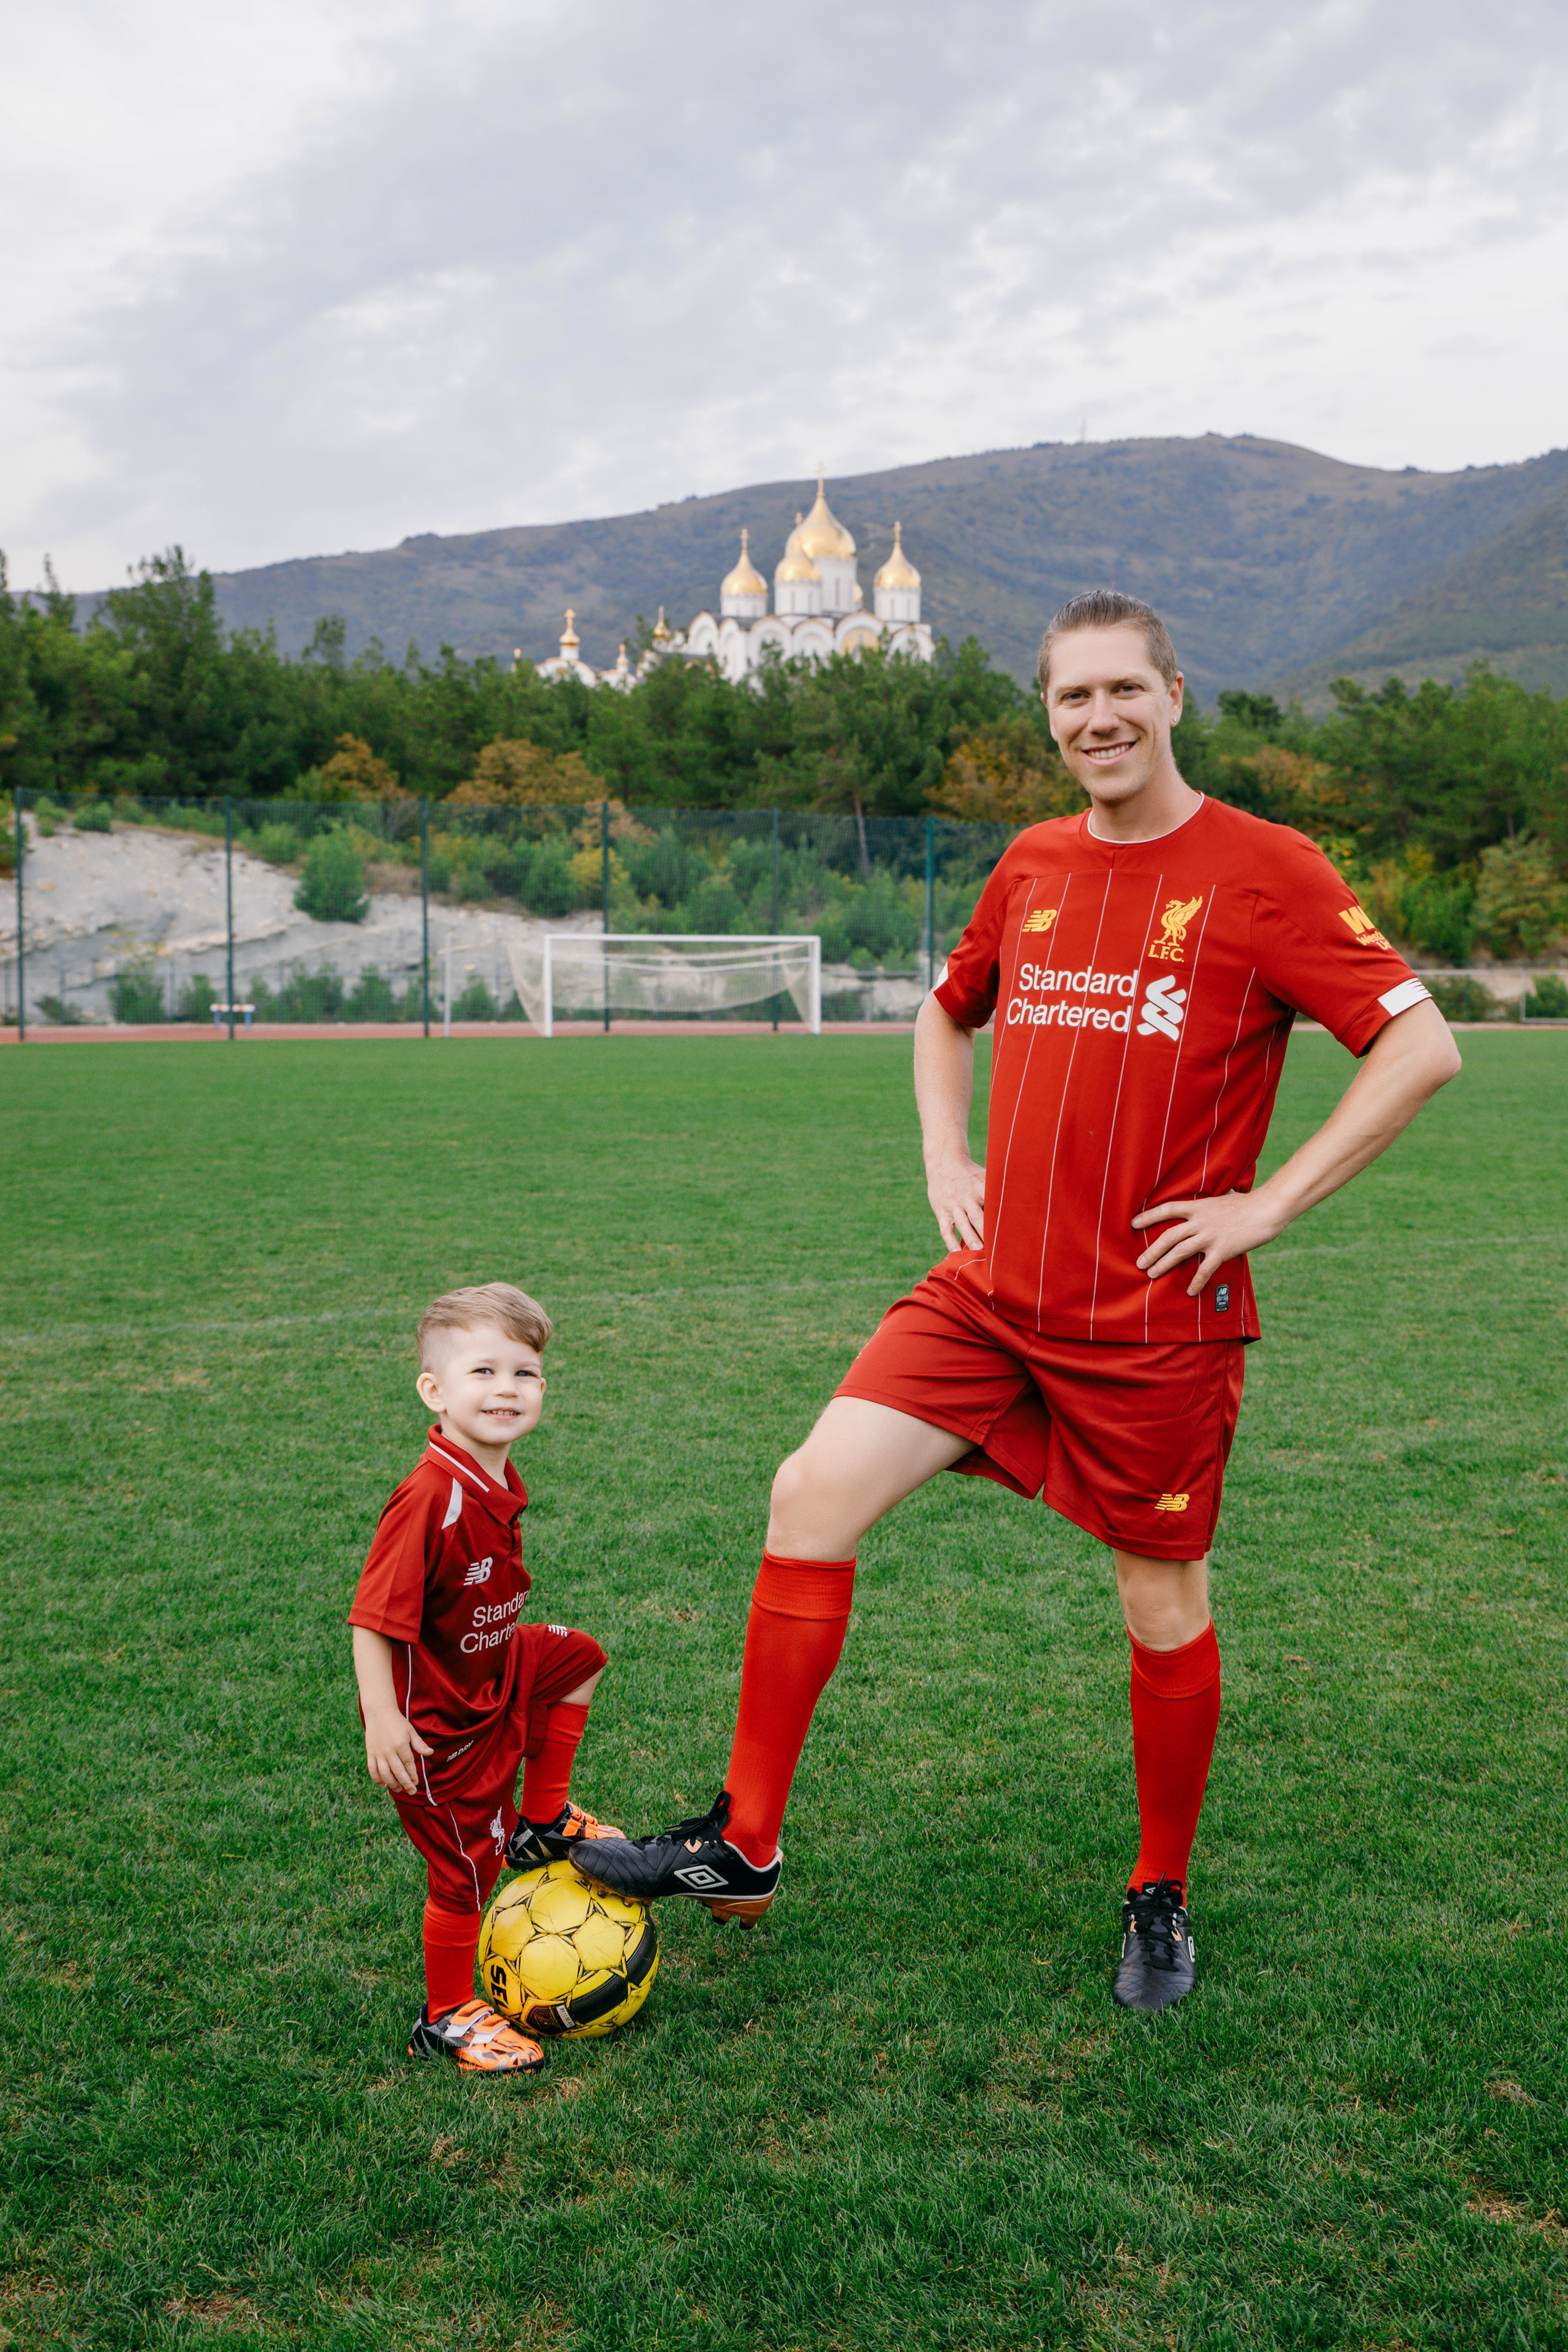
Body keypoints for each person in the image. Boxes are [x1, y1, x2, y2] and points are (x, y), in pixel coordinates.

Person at [580, 589, 1461, 2011]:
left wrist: (1268, 1204)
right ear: (1046, 716)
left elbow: (1418, 1048)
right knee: (808, 1496)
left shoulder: (1263, 869)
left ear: (1173, 694)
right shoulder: (1034, 863)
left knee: (1158, 1601)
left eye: (1123, 690)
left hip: (1152, 1322)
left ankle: (1156, 1889)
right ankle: (743, 1844)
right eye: (1070, 699)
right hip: (990, 1296)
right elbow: (945, 1006)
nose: (1097, 719)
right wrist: (945, 1150)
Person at [349, 1281, 622, 2072]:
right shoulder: (430, 1497)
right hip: (441, 1730)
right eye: (483, 1372)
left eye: (525, 1372)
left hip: (497, 1677)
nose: (506, 1389)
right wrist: (382, 1717)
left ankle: (543, 1819)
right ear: (433, 1391)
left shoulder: (493, 1478)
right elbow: (373, 1618)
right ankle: (445, 2017)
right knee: (467, 1874)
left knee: (577, 1658)